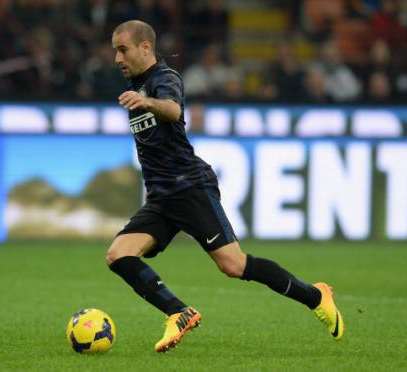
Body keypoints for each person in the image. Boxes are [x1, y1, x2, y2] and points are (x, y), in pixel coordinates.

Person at [106, 20, 345, 353]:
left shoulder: (165, 79)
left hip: (189, 187)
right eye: (115, 50)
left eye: (122, 49)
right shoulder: (137, 84)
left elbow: (173, 111)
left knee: (234, 265)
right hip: (162, 195)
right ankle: (178, 312)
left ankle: (316, 296)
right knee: (118, 254)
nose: (117, 58)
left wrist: (147, 103)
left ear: (145, 47)